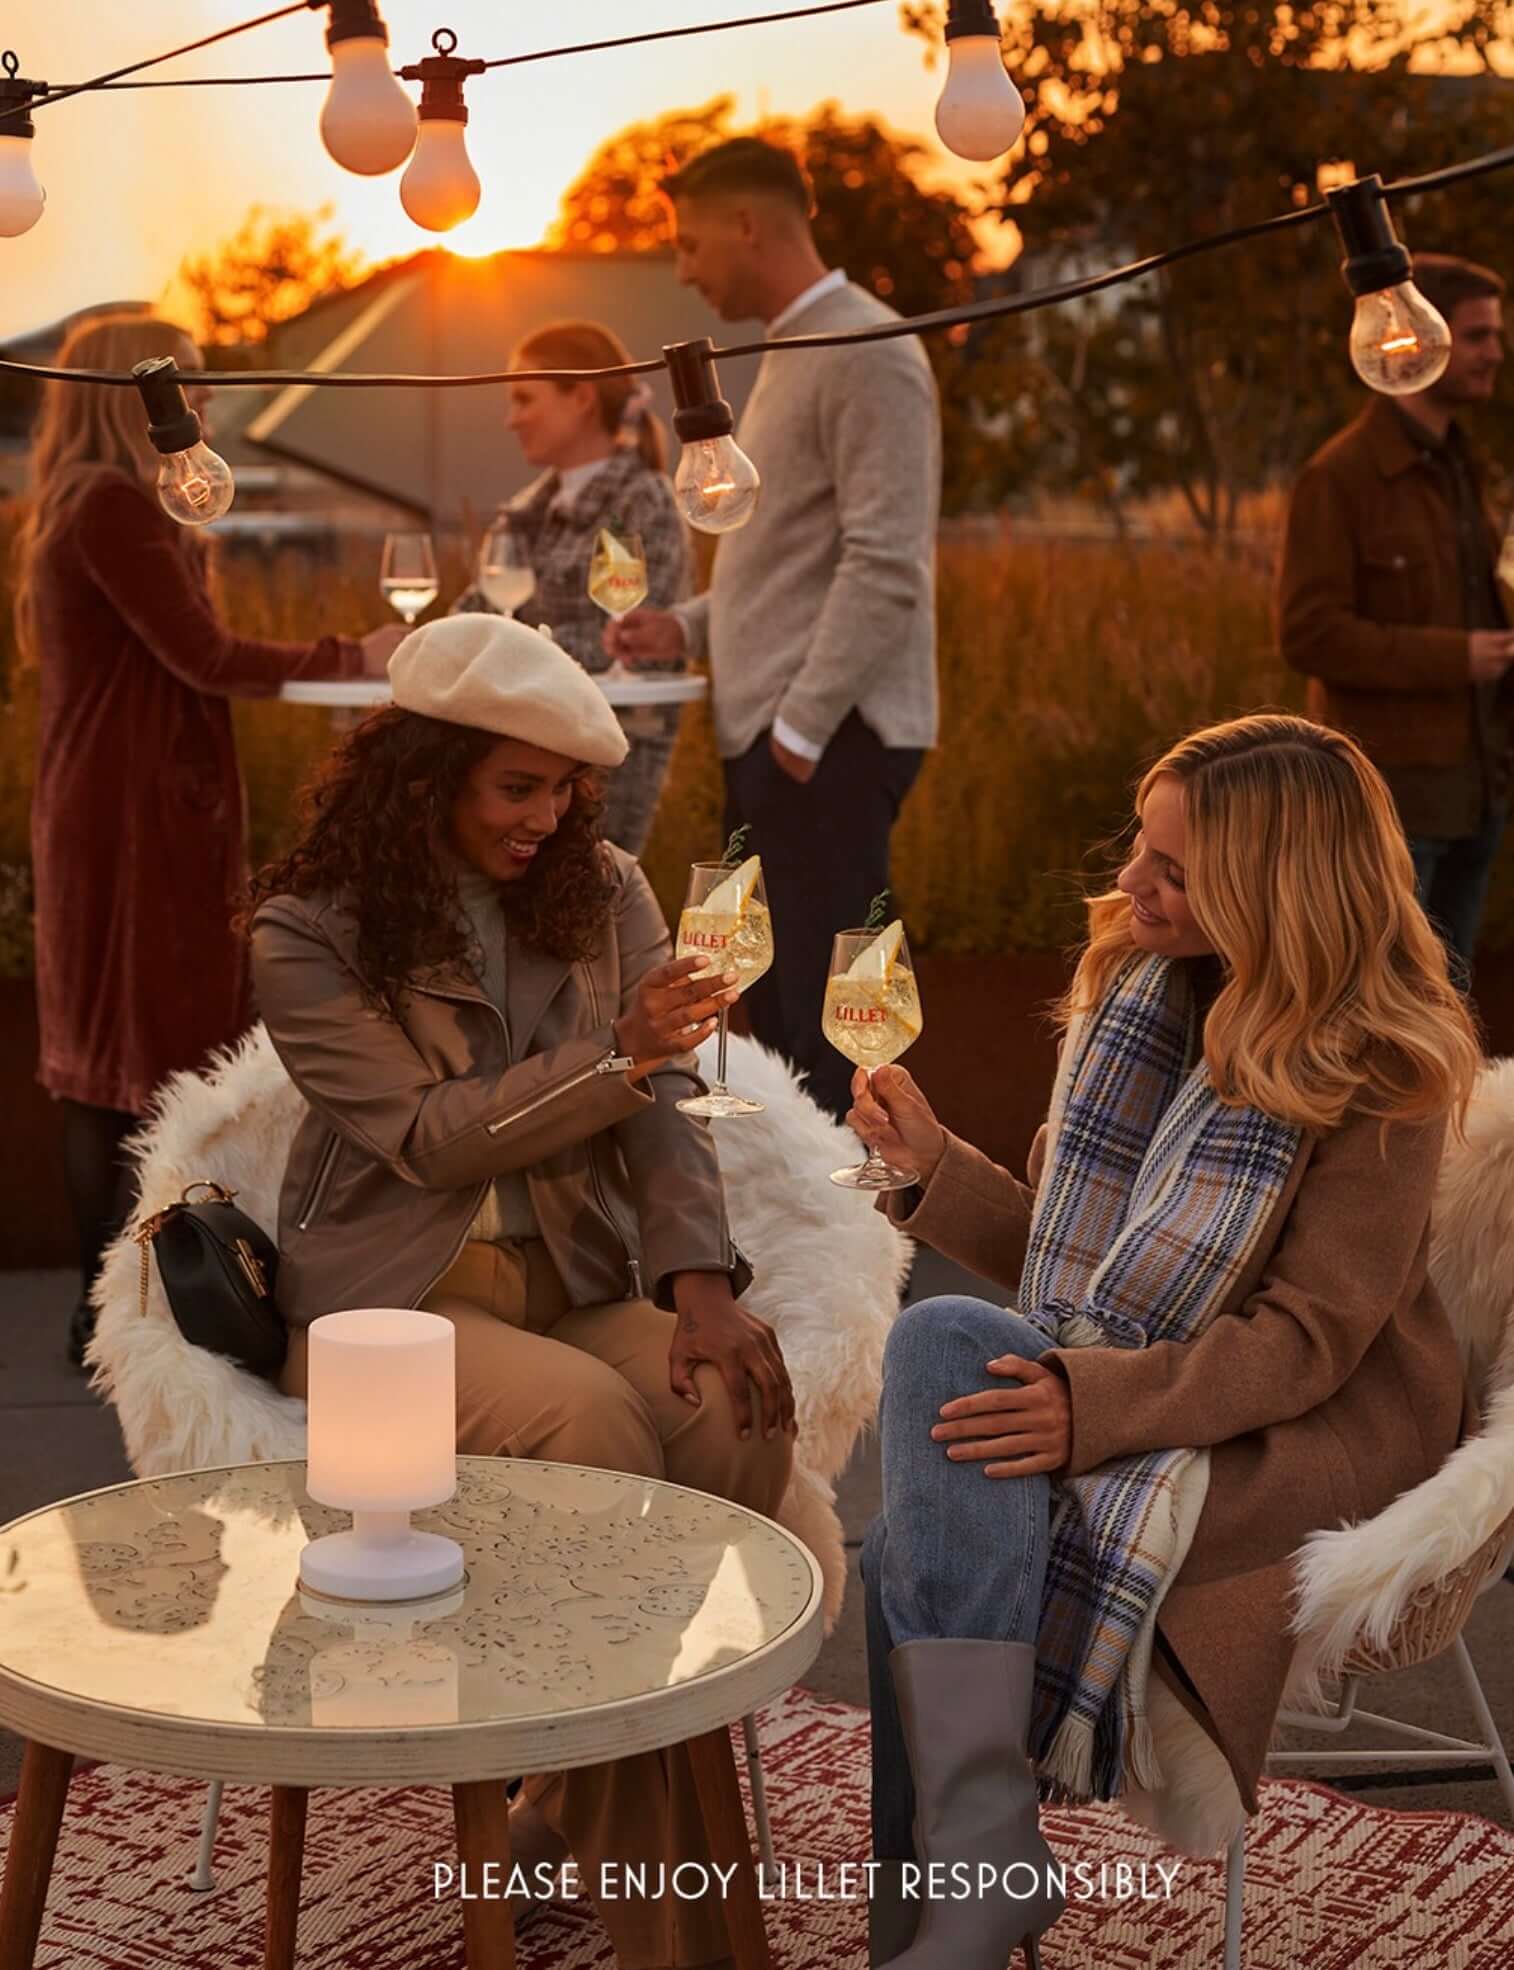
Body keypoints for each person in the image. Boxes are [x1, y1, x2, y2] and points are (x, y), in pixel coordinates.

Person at [847, 714, 1478, 1970]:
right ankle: (968, 1883)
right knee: (945, 1357)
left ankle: (952, 1897)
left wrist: (1090, 1405)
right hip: (1153, 1374)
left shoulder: (1383, 1065)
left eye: (1173, 870)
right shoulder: (1143, 997)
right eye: (1142, 846)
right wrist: (934, 1171)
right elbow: (1090, 1268)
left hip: (1304, 1428)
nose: (1131, 882)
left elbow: (1302, 1341)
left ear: (1272, 889)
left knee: (913, 1521)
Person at [246, 614, 795, 1970]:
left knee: (733, 1399)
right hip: (390, 1308)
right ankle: (681, 1942)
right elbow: (431, 1138)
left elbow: (664, 1096)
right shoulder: (307, 929)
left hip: (572, 1275)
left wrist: (700, 1282)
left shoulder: (601, 887)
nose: (547, 819)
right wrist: (613, 1055)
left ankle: (562, 1781)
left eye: (563, 788)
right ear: (423, 774)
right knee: (594, 1429)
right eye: (515, 787)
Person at [13, 309, 401, 1368]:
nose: (204, 406)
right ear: (130, 395)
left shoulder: (96, 503)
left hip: (120, 804)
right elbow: (203, 653)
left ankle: (118, 1307)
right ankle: (117, 1310)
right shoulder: (111, 508)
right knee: (126, 1059)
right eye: (184, 386)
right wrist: (352, 653)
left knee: (113, 1057)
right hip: (135, 816)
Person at [607, 138, 940, 1120]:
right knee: (758, 994)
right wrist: (687, 625)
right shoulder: (791, 350)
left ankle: (868, 1249)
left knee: (840, 1022)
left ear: (748, 224)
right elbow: (791, 560)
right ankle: (820, 1236)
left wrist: (798, 730)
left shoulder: (868, 349)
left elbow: (885, 560)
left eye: (689, 241)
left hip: (823, 739)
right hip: (776, 736)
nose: (682, 268)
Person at [1279, 253, 1512, 982]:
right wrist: (1456, 657)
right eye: (1476, 337)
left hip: (1477, 795)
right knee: (1376, 1019)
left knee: (1446, 1019)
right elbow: (1309, 632)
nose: (1495, 354)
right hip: (1391, 812)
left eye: (1495, 336)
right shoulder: (1340, 477)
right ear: (1419, 339)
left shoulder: (1463, 466)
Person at [455, 320, 692, 857]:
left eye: (523, 399)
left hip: (604, 758)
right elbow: (469, 617)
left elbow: (634, 648)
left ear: (581, 397)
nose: (510, 419)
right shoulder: (524, 514)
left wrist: (503, 652)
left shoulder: (644, 502)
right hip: (509, 756)